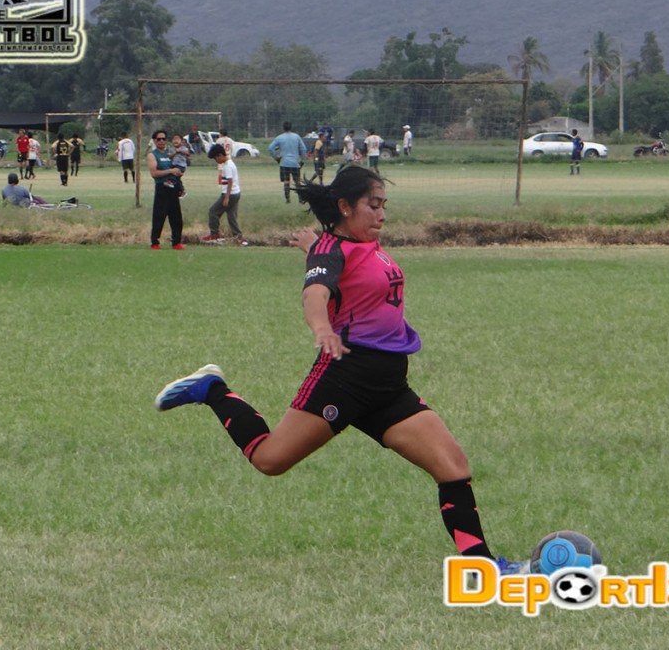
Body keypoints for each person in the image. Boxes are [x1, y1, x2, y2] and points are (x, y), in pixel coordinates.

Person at [154, 165, 524, 573]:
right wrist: (322, 328)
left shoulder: (354, 244)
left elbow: (341, 263)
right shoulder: (330, 251)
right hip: (346, 376)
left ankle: (482, 568)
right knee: (270, 460)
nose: (382, 215)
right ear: (346, 207)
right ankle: (213, 389)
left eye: (384, 205)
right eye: (373, 205)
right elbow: (315, 293)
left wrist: (314, 246)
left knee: (453, 467)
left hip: (388, 385)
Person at [201, 143, 247, 246]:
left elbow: (230, 182)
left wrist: (226, 198)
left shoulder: (227, 166)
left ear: (220, 155)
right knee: (231, 216)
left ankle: (214, 235)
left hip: (230, 194)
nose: (216, 161)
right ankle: (239, 238)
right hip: (236, 193)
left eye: (215, 158)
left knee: (213, 212)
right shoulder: (229, 163)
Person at [147, 129, 185, 251]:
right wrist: (170, 171)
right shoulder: (153, 155)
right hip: (162, 188)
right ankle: (155, 242)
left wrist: (180, 183)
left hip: (173, 187)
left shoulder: (171, 153)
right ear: (154, 141)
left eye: (164, 139)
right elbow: (154, 173)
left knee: (176, 217)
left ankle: (176, 242)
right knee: (159, 216)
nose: (162, 141)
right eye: (159, 139)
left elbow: (179, 166)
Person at [267, 122, 306, 203]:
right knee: (297, 181)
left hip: (284, 163)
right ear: (291, 127)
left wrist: (276, 157)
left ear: (283, 128)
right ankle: (300, 199)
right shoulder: (296, 137)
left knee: (286, 181)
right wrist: (302, 160)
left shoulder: (279, 137)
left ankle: (287, 199)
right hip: (295, 162)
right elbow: (303, 149)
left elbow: (270, 148)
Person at [169, 133, 190, 198]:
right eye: (174, 139)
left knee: (174, 176)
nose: (175, 141)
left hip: (181, 166)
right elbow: (169, 156)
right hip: (173, 165)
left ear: (182, 141)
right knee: (176, 178)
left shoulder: (183, 148)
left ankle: (179, 190)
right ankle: (180, 191)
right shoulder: (171, 149)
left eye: (177, 139)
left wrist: (180, 151)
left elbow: (187, 153)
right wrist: (175, 152)